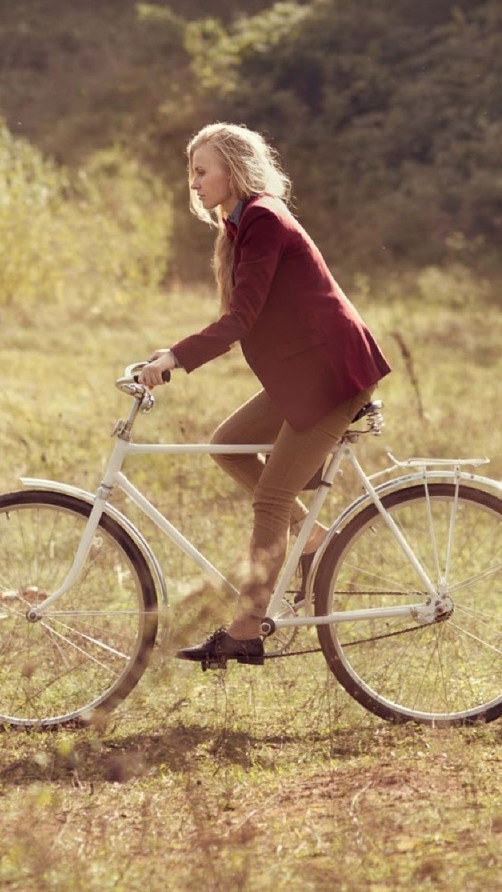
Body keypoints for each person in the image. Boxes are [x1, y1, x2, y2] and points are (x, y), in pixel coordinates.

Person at [139, 123, 391, 666]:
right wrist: (174, 354)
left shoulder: (263, 218)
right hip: (306, 374)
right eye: (192, 174)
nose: (195, 183)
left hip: (332, 374)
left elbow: (241, 318)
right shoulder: (240, 227)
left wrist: (175, 358)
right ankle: (316, 537)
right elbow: (244, 319)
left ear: (233, 168)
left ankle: (247, 629)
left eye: (202, 171)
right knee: (228, 444)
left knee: (272, 499)